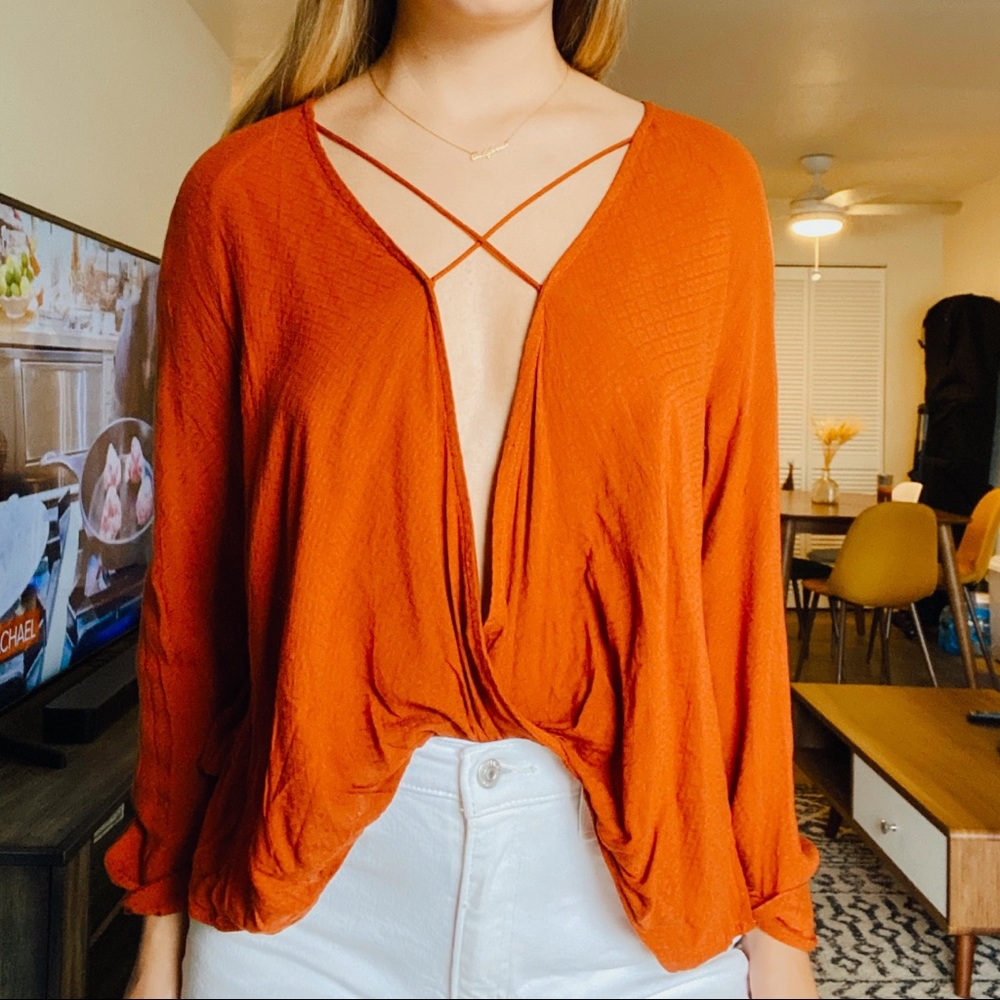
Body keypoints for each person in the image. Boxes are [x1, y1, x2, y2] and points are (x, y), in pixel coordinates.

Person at [107, 1, 821, 997]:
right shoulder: (241, 197)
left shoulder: (707, 189)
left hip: (634, 912)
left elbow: (733, 593)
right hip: (302, 914)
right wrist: (157, 934)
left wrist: (778, 932)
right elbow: (189, 614)